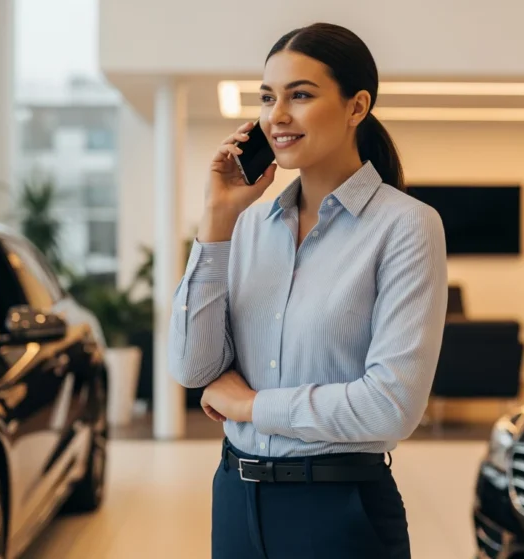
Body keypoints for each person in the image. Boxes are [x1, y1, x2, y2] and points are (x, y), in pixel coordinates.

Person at [168, 22, 448, 559]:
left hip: (339, 509)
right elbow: (191, 368)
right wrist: (215, 220)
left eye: (300, 95)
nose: (276, 115)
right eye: (268, 97)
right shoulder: (246, 225)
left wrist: (251, 406)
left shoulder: (406, 226)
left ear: (356, 107)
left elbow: (390, 406)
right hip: (235, 496)